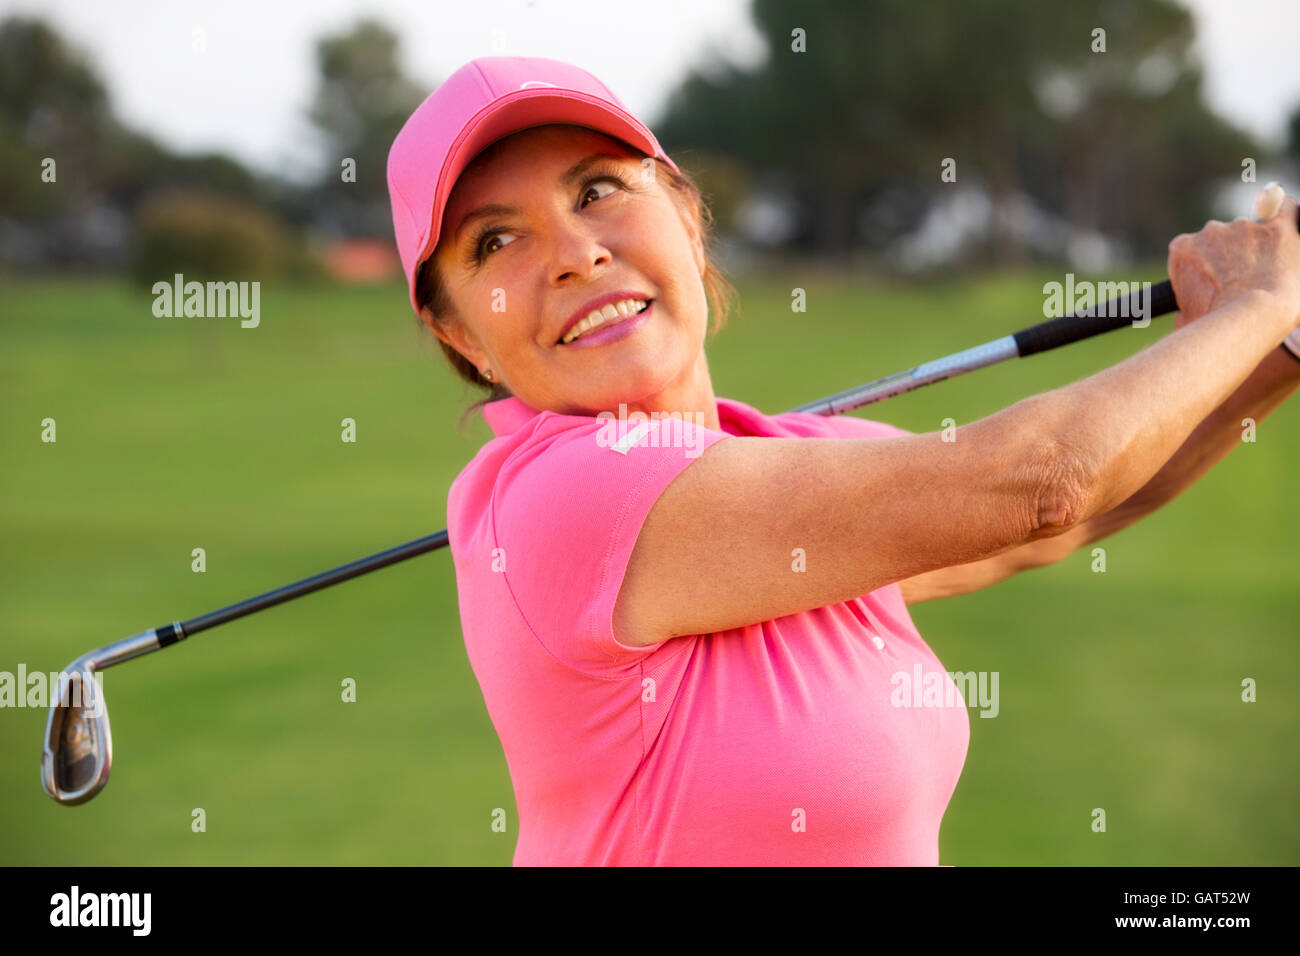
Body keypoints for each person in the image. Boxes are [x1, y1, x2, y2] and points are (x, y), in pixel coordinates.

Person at [386, 56, 1300, 865]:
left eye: (597, 191)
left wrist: (1277, 353)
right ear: (456, 330)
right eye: (495, 242)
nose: (576, 255)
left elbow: (1064, 517)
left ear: (686, 214)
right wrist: (1252, 304)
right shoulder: (561, 498)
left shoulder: (783, 466)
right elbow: (1040, 482)